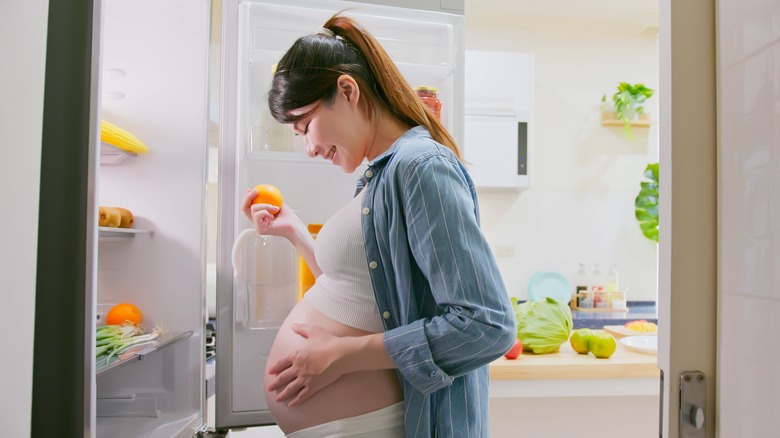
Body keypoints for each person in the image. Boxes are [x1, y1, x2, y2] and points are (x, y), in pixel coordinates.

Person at [240, 13, 517, 438]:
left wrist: (341, 356)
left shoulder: (421, 167)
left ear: (346, 90)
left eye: (305, 125)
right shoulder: (382, 176)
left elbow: (487, 325)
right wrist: (295, 231)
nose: (309, 148)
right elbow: (365, 296)